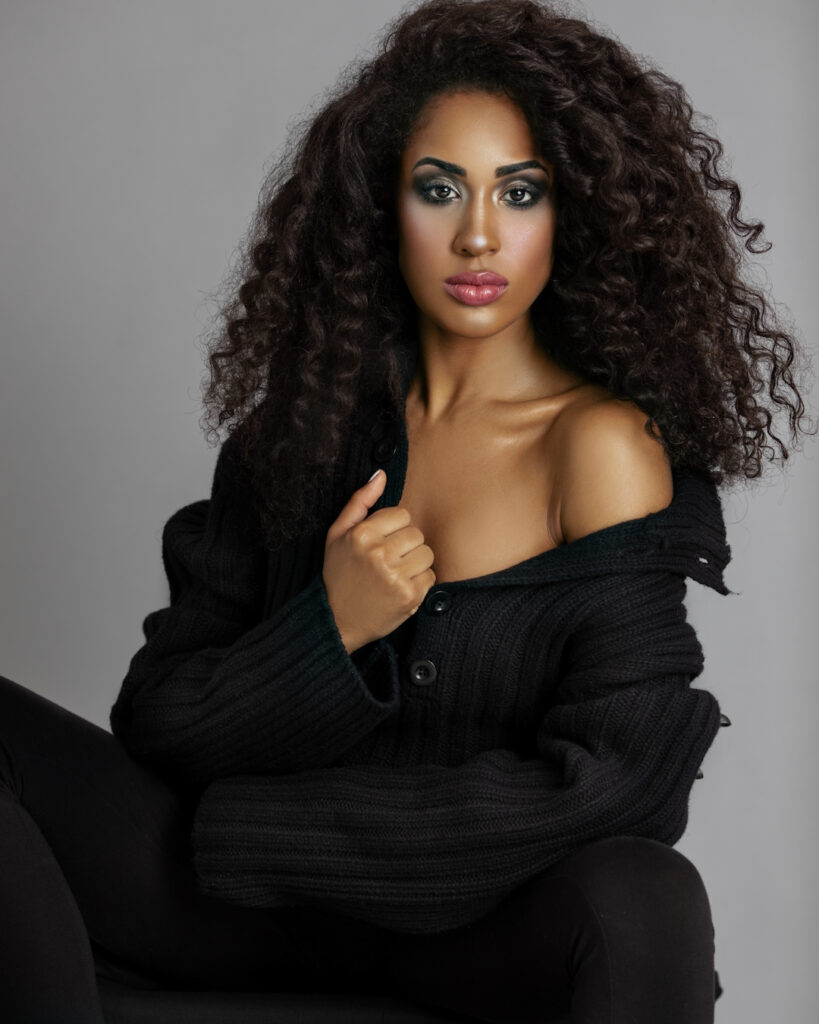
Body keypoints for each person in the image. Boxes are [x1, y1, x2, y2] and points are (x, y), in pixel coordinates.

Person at [0, 1, 813, 1022]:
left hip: (469, 928)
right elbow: (163, 721)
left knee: (646, 896)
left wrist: (270, 833)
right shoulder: (296, 432)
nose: (479, 234)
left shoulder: (596, 447)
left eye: (521, 193)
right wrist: (329, 634)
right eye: (440, 190)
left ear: (575, 215)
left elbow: (622, 785)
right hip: (243, 915)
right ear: (383, 209)